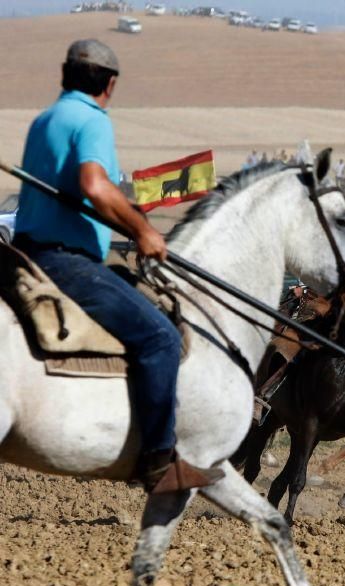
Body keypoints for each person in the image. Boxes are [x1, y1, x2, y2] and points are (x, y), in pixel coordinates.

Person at [12, 40, 223, 494]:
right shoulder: (91, 119)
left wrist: (125, 219)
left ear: (64, 75)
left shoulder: (45, 120)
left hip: (28, 252)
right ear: (110, 84)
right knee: (160, 337)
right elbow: (94, 185)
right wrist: (143, 231)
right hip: (64, 261)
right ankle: (157, 461)